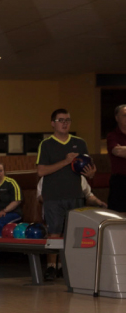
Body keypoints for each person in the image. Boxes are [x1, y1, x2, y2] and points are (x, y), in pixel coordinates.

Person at [37, 108, 95, 281]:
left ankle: (68, 266)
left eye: (67, 120)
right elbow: (41, 171)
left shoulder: (80, 142)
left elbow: (90, 169)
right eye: (61, 120)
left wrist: (91, 174)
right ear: (53, 123)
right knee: (54, 232)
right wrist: (66, 161)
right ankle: (51, 267)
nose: (64, 123)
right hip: (53, 196)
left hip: (75, 194)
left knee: (74, 233)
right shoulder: (46, 144)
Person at [106, 104, 126, 212]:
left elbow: (121, 151)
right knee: (117, 215)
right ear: (117, 118)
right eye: (124, 115)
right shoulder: (112, 135)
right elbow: (117, 151)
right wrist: (120, 150)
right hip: (120, 182)